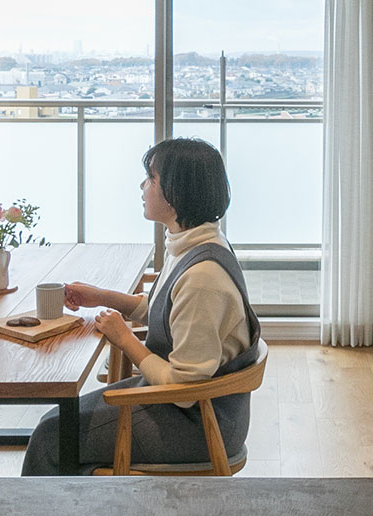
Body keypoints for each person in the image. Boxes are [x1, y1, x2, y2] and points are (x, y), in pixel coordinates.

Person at [22, 137, 264, 475]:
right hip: (188, 408)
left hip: (196, 425)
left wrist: (125, 340)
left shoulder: (203, 278)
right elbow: (163, 309)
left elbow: (182, 390)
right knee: (59, 427)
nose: (142, 186)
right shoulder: (197, 242)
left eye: (151, 178)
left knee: (52, 436)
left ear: (176, 193)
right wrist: (102, 296)